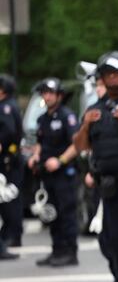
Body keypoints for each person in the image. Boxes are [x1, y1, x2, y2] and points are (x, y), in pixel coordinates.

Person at [73, 51, 118, 282]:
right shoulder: (95, 110)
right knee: (112, 239)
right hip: (108, 186)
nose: (114, 79)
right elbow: (80, 146)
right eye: (108, 75)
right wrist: (86, 126)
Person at [27, 78, 80, 267]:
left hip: (64, 174)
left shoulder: (67, 116)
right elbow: (40, 143)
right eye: (44, 93)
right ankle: (57, 250)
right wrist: (36, 156)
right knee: (52, 214)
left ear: (59, 95)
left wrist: (60, 160)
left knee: (67, 214)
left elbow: (77, 144)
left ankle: (70, 252)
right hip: (47, 175)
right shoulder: (43, 119)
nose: (47, 96)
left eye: (50, 92)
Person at [0, 74, 23, 251]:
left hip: (8, 160)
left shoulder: (6, 107)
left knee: (9, 198)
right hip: (10, 159)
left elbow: (7, 133)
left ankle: (12, 235)